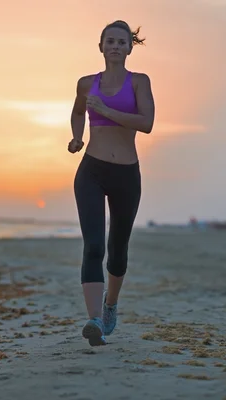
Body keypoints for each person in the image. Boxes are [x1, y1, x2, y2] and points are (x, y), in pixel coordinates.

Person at [67, 20, 155, 346]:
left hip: (126, 175)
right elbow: (78, 112)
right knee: (93, 247)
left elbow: (146, 123)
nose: (116, 46)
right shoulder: (86, 83)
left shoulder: (139, 83)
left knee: (117, 252)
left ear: (130, 47)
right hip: (91, 170)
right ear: (101, 46)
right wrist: (77, 137)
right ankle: (94, 322)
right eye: (110, 41)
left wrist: (105, 109)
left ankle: (110, 305)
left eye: (122, 42)